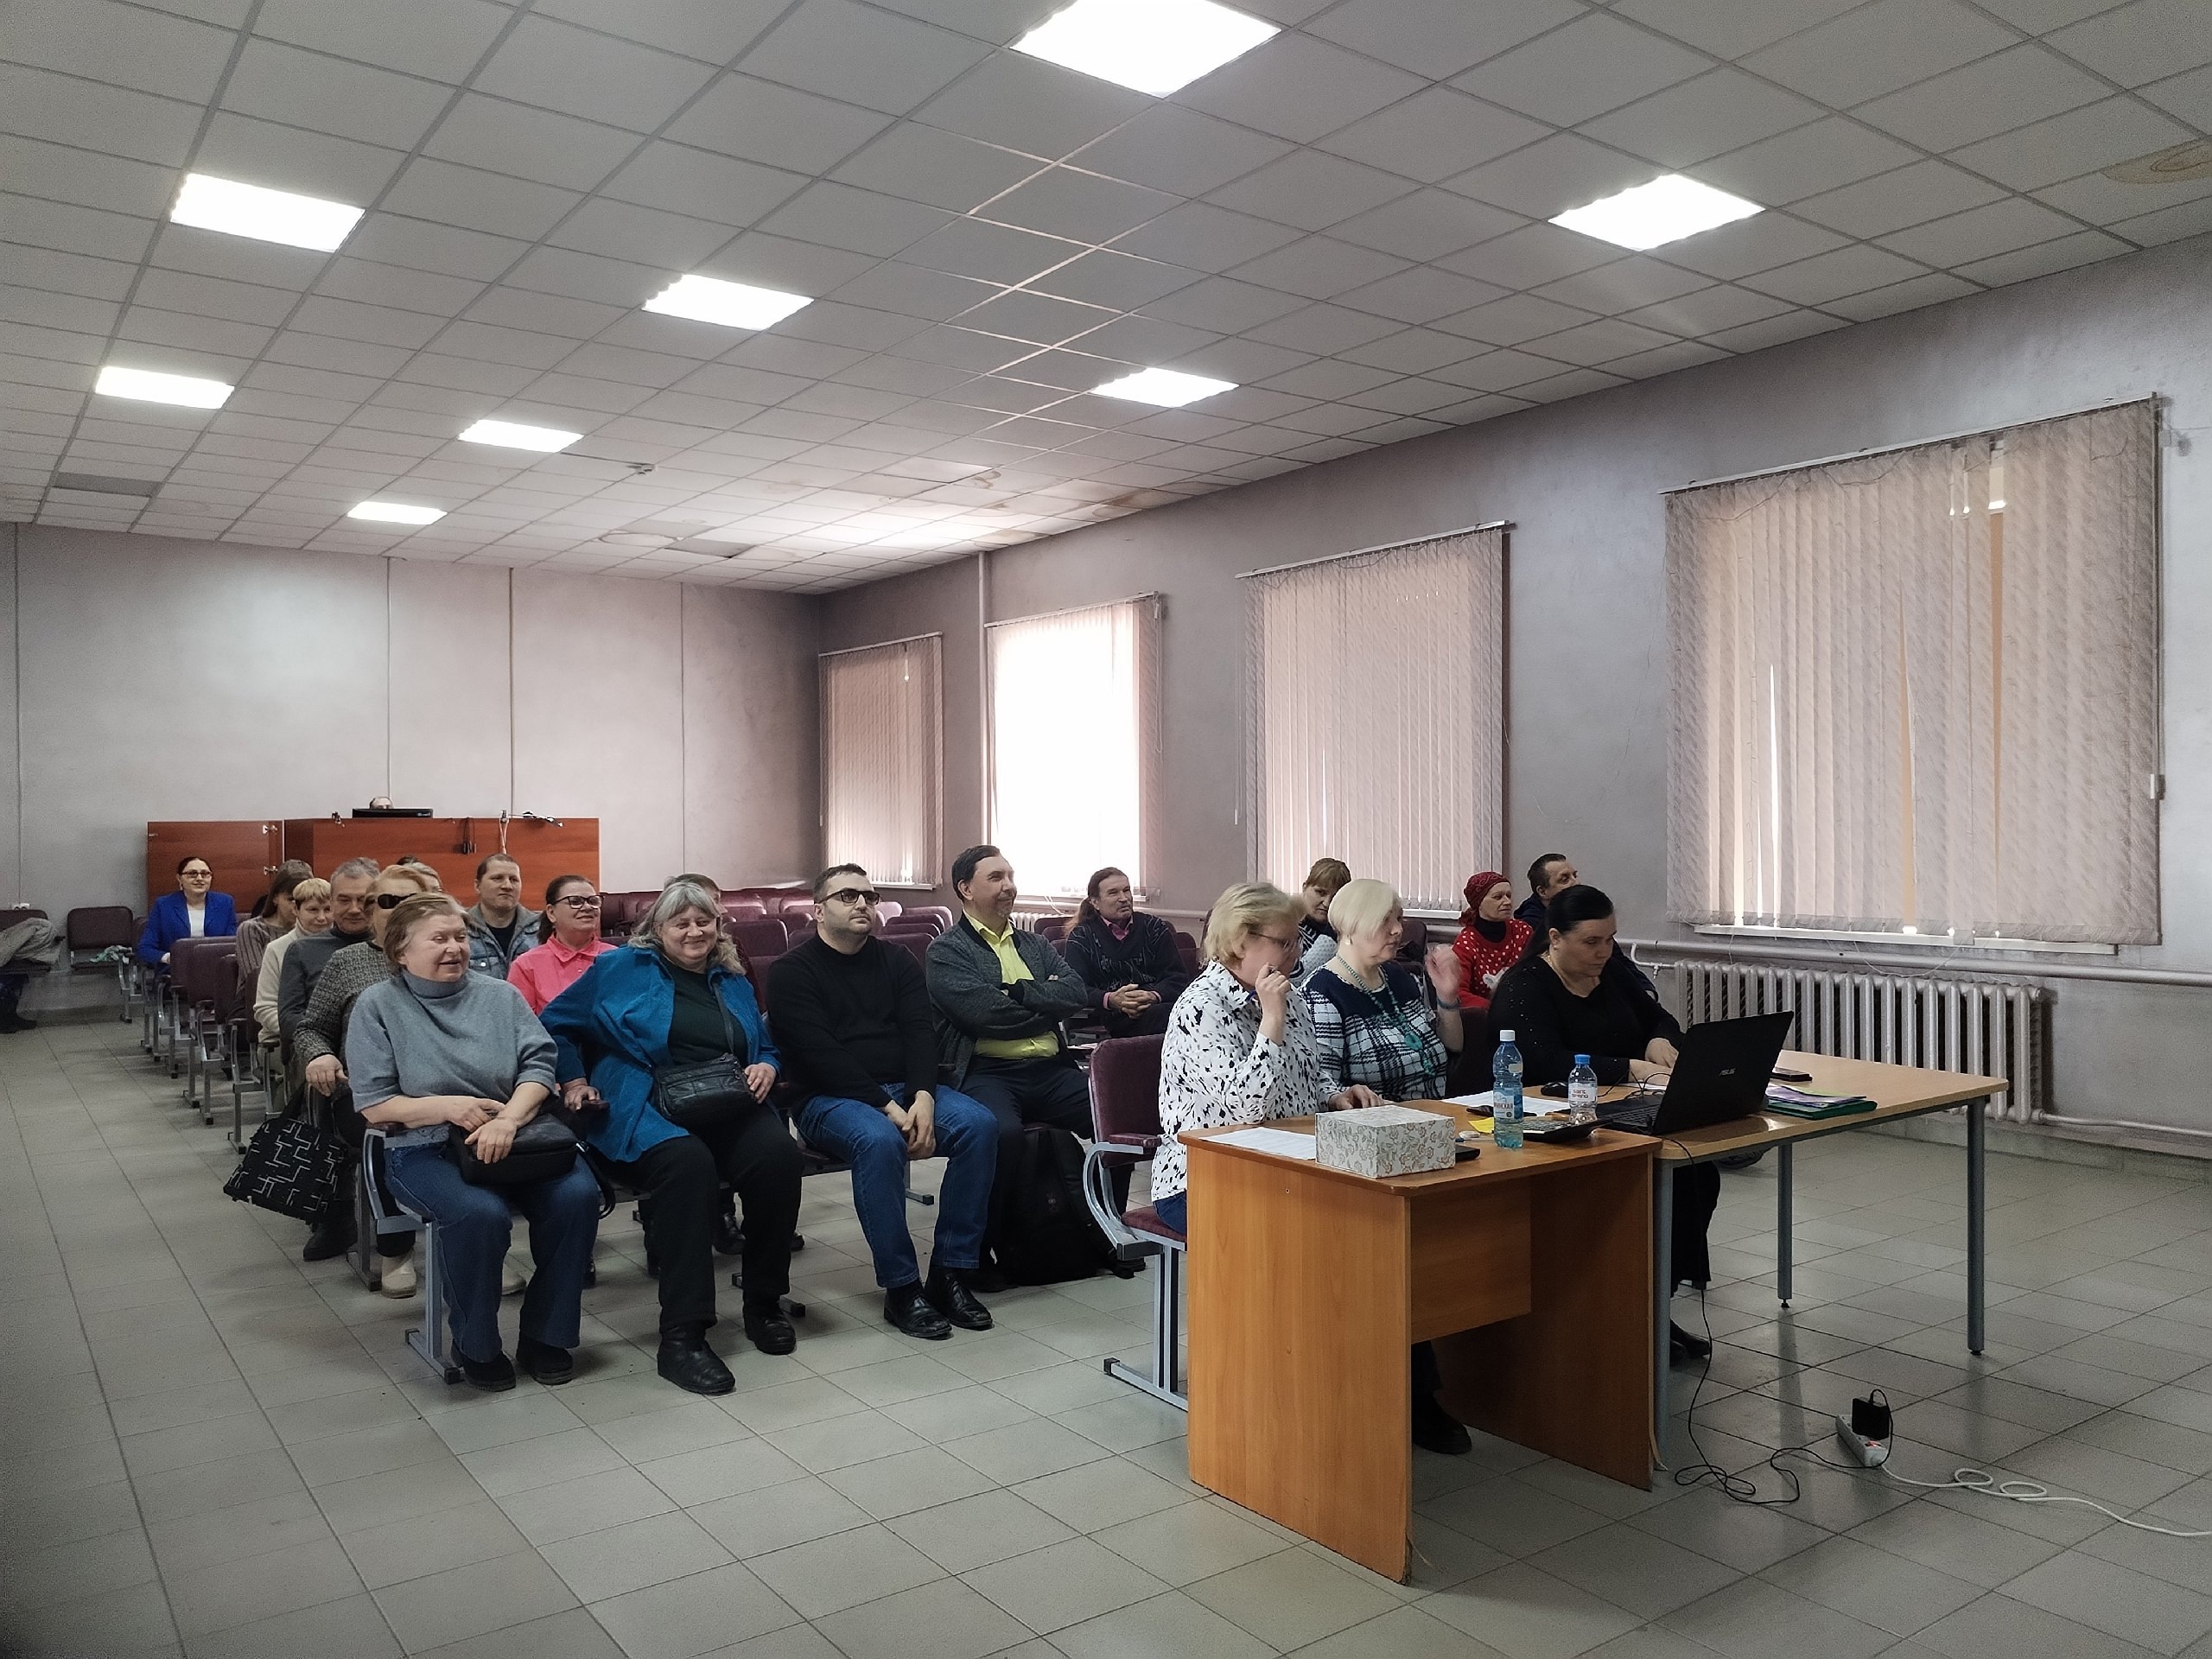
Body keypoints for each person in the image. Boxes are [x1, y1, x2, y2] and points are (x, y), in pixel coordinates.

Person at [1156, 887, 1462, 1453]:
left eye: (1297, 938)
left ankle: (1413, 1396)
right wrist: (1270, 1022)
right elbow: (1245, 1108)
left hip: (1294, 1163)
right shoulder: (1202, 1007)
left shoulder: (1287, 992)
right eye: (1284, 941)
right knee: (1321, 1248)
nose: (1297, 951)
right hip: (1207, 1178)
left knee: (1385, 1235)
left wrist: (1337, 1095)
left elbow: (1308, 1078)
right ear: (1240, 941)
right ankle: (1300, 1402)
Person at [541, 880, 804, 1391]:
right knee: (688, 1167)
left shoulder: (730, 975)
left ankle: (764, 1303)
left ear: (718, 926)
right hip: (645, 1100)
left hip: (724, 1098)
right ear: (656, 928)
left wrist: (768, 1065)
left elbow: (763, 1041)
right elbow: (555, 1023)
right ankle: (683, 1336)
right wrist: (573, 1079)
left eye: (703, 921)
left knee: (778, 1157)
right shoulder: (622, 967)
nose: (693, 931)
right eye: (680, 922)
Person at [348, 893, 599, 1391]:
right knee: (478, 1214)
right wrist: (449, 1108)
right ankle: (475, 1342)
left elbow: (539, 1067)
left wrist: (509, 1120)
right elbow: (375, 1104)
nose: (454, 948)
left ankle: (546, 1336)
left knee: (577, 1196)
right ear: (400, 951)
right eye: (438, 939)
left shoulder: (500, 996)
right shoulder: (376, 1005)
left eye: (460, 937)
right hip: (423, 1146)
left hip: (517, 1136)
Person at [1485, 884, 1718, 1365]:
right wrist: (1629, 1066)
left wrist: (1658, 1039)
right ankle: (1629, 1309)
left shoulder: (1609, 973)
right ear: (1555, 938)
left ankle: (1653, 1302)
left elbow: (1660, 1017)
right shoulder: (1525, 986)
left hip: (1618, 1110)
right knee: (1646, 1184)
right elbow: (1543, 1061)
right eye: (1591, 942)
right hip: (1550, 1121)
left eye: (1610, 940)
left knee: (1696, 1173)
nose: (1604, 952)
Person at [769, 864, 997, 1340]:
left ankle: (950, 1273)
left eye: (869, 897)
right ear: (818, 910)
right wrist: (889, 1109)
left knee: (979, 1125)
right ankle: (902, 1288)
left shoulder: (897, 960)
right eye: (847, 896)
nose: (862, 904)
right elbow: (820, 1055)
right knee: (879, 1141)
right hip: (827, 1099)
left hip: (902, 1088)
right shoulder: (792, 971)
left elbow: (920, 1035)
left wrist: (923, 1098)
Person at [925, 845, 1100, 1272]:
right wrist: (1046, 1006)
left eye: (1010, 876)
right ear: (966, 889)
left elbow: (1075, 993)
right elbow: (985, 1016)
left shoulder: (1035, 945)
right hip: (989, 1072)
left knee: (1113, 1119)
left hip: (1051, 1070)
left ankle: (1102, 1231)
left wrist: (1017, 991)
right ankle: (983, 1248)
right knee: (999, 1135)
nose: (1009, 886)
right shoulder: (947, 951)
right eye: (996, 878)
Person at [294, 861, 445, 1282]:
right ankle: (396, 1249)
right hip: (369, 1092)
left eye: (411, 900)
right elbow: (310, 1028)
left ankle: (478, 1242)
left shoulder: (448, 957)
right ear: (372, 909)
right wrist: (319, 1056)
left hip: (442, 1084)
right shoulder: (347, 962)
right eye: (388, 901)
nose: (399, 909)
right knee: (388, 1131)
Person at [1302, 879, 1465, 1103]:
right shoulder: (1322, 993)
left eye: (1398, 918)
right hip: (1375, 1119)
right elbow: (1324, 1089)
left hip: (1432, 1111)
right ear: (1351, 926)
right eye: (1384, 920)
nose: (1398, 929)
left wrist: (1447, 997)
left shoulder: (1399, 977)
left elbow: (1451, 1049)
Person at [1061, 866, 1189, 1039]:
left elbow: (1177, 977)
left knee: (1188, 1010)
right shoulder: (1082, 936)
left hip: (1156, 1006)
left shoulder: (1154, 927)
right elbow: (1075, 988)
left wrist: (1153, 995)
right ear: (1095, 902)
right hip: (1111, 1016)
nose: (1123, 898)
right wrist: (1111, 999)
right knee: (1177, 1016)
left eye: (1126, 890)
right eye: (1113, 893)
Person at [507, 876, 613, 1014]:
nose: (588, 907)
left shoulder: (617, 958)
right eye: (575, 901)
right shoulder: (526, 965)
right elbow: (521, 1024)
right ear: (551, 912)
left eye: (593, 901)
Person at [254, 876, 331, 1052]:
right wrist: (308, 1035)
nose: (322, 917)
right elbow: (265, 1009)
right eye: (313, 910)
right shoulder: (276, 949)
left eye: (328, 909)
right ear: (296, 909)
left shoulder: (344, 946)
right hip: (282, 1041)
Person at [1452, 871, 1531, 1017]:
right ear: (1479, 903)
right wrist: (1498, 1009)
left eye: (1509, 896)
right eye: (1498, 897)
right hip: (1487, 1017)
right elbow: (1458, 994)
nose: (1507, 902)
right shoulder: (1466, 943)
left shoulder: (1522, 931)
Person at [137, 855, 238, 966]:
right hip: (175, 969)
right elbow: (145, 948)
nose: (199, 878)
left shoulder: (225, 903)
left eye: (205, 874)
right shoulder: (163, 905)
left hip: (217, 968)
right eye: (192, 874)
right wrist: (169, 958)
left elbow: (232, 943)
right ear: (179, 878)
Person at [235, 861, 312, 998]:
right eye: (291, 899)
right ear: (275, 897)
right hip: (259, 1000)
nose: (296, 907)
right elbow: (257, 980)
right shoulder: (252, 929)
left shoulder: (313, 929)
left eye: (304, 900)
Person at [465, 854, 539, 980]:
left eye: (514, 880)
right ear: (477, 886)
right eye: (497, 878)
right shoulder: (461, 929)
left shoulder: (542, 930)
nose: (507, 886)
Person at [0, 907, 62, 1033]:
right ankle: (3, 1019)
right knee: (6, 980)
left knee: (17, 978)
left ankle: (11, 1015)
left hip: (14, 956)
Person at [1294, 856, 1351, 982]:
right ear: (1305, 888)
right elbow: (1298, 977)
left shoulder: (1350, 934)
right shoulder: (1287, 928)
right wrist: (1331, 934)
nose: (1327, 903)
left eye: (1335, 897)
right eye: (1321, 892)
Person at [1515, 854, 1577, 931]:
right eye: (1564, 879)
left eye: (1575, 876)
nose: (1576, 883)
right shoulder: (1531, 928)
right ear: (1543, 892)